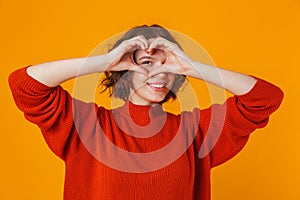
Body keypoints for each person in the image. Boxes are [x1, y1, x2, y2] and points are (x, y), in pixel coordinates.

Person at [9, 24, 284, 200]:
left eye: (168, 65)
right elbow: (25, 85)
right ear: (123, 68)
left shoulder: (195, 132)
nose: (159, 74)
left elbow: (265, 98)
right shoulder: (88, 126)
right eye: (147, 63)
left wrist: (190, 66)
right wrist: (104, 61)